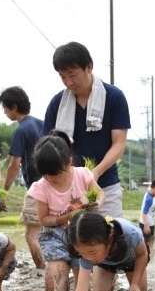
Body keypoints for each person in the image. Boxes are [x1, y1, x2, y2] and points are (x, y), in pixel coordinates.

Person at [43, 41, 131, 218]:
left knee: (111, 233)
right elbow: (47, 147)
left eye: (72, 74)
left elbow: (119, 144)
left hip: (105, 182)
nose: (68, 82)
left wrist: (95, 173)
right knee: (71, 239)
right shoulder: (57, 104)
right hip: (66, 186)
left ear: (89, 67)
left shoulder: (114, 97)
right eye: (62, 76)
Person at [28, 133, 104, 291]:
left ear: (69, 162)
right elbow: (43, 219)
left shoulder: (83, 175)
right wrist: (63, 219)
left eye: (56, 174)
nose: (52, 179)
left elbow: (100, 193)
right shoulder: (41, 187)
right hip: (54, 236)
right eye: (46, 175)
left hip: (81, 235)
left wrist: (96, 203)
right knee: (60, 285)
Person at [62, 212, 155, 291]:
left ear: (110, 238)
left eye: (92, 252)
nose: (88, 258)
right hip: (104, 264)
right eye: (81, 253)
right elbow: (81, 290)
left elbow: (142, 254)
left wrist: (135, 284)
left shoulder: (131, 233)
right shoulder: (87, 254)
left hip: (133, 259)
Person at [0, 86, 45, 270]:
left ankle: (42, 271)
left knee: (31, 235)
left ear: (14, 107)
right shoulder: (41, 123)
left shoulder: (21, 130)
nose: (4, 112)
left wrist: (4, 193)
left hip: (37, 187)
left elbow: (14, 164)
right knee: (47, 231)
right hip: (53, 184)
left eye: (5, 108)